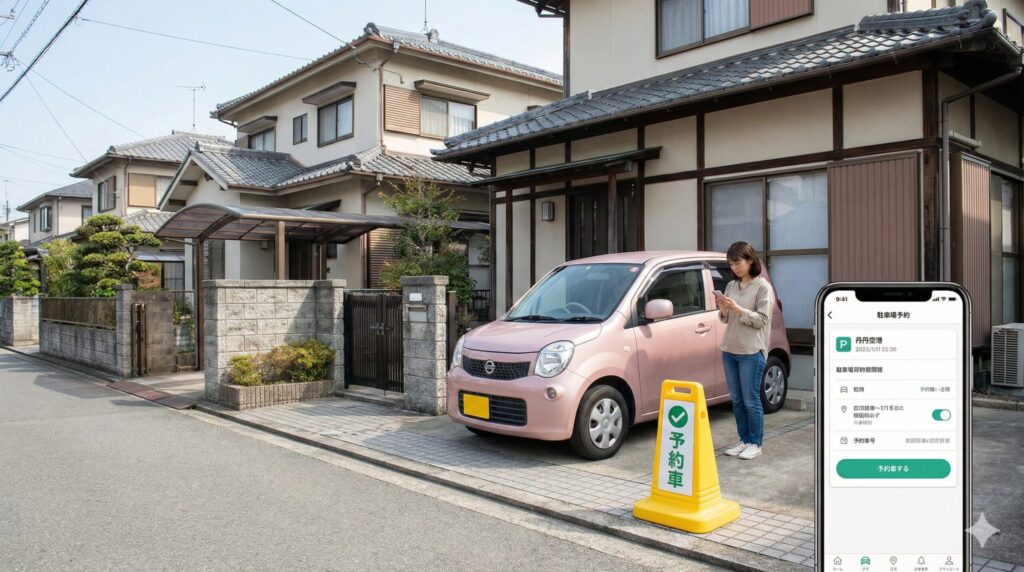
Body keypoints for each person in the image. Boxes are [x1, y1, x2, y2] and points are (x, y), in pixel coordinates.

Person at [714, 241, 775, 460]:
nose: (735, 268)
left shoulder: (763, 287)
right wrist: (724, 309)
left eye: (738, 262)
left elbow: (762, 320)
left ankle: (755, 443)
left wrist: (738, 309)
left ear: (750, 260)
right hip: (729, 349)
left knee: (751, 400)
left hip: (751, 351)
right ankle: (744, 440)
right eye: (731, 264)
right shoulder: (731, 286)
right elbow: (725, 319)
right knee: (737, 400)